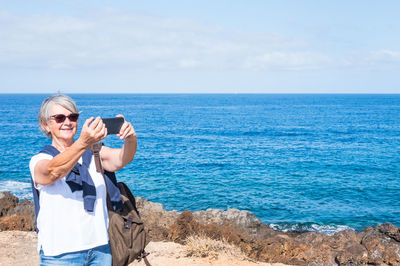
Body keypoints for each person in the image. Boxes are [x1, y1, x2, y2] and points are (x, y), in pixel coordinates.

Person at [29, 94, 137, 265]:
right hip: (59, 254)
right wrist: (83, 142)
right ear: (46, 125)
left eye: (73, 117)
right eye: (59, 118)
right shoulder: (40, 159)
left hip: (100, 249)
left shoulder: (94, 152)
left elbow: (122, 159)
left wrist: (131, 139)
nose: (67, 122)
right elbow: (52, 172)